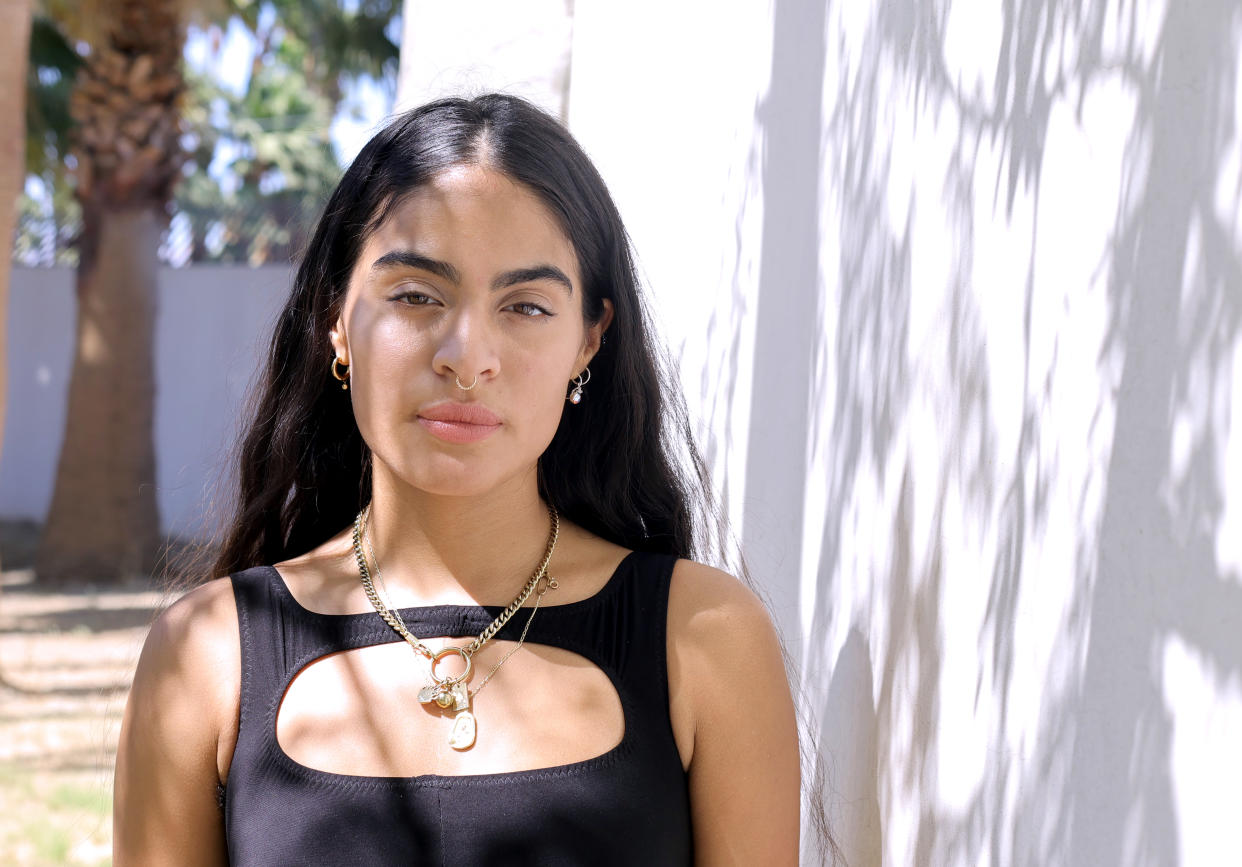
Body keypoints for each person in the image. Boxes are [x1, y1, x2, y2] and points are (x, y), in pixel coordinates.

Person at [113, 93, 801, 865]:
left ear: (589, 341)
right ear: (335, 317)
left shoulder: (706, 639)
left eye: (527, 306)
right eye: (416, 295)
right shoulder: (206, 656)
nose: (468, 356)